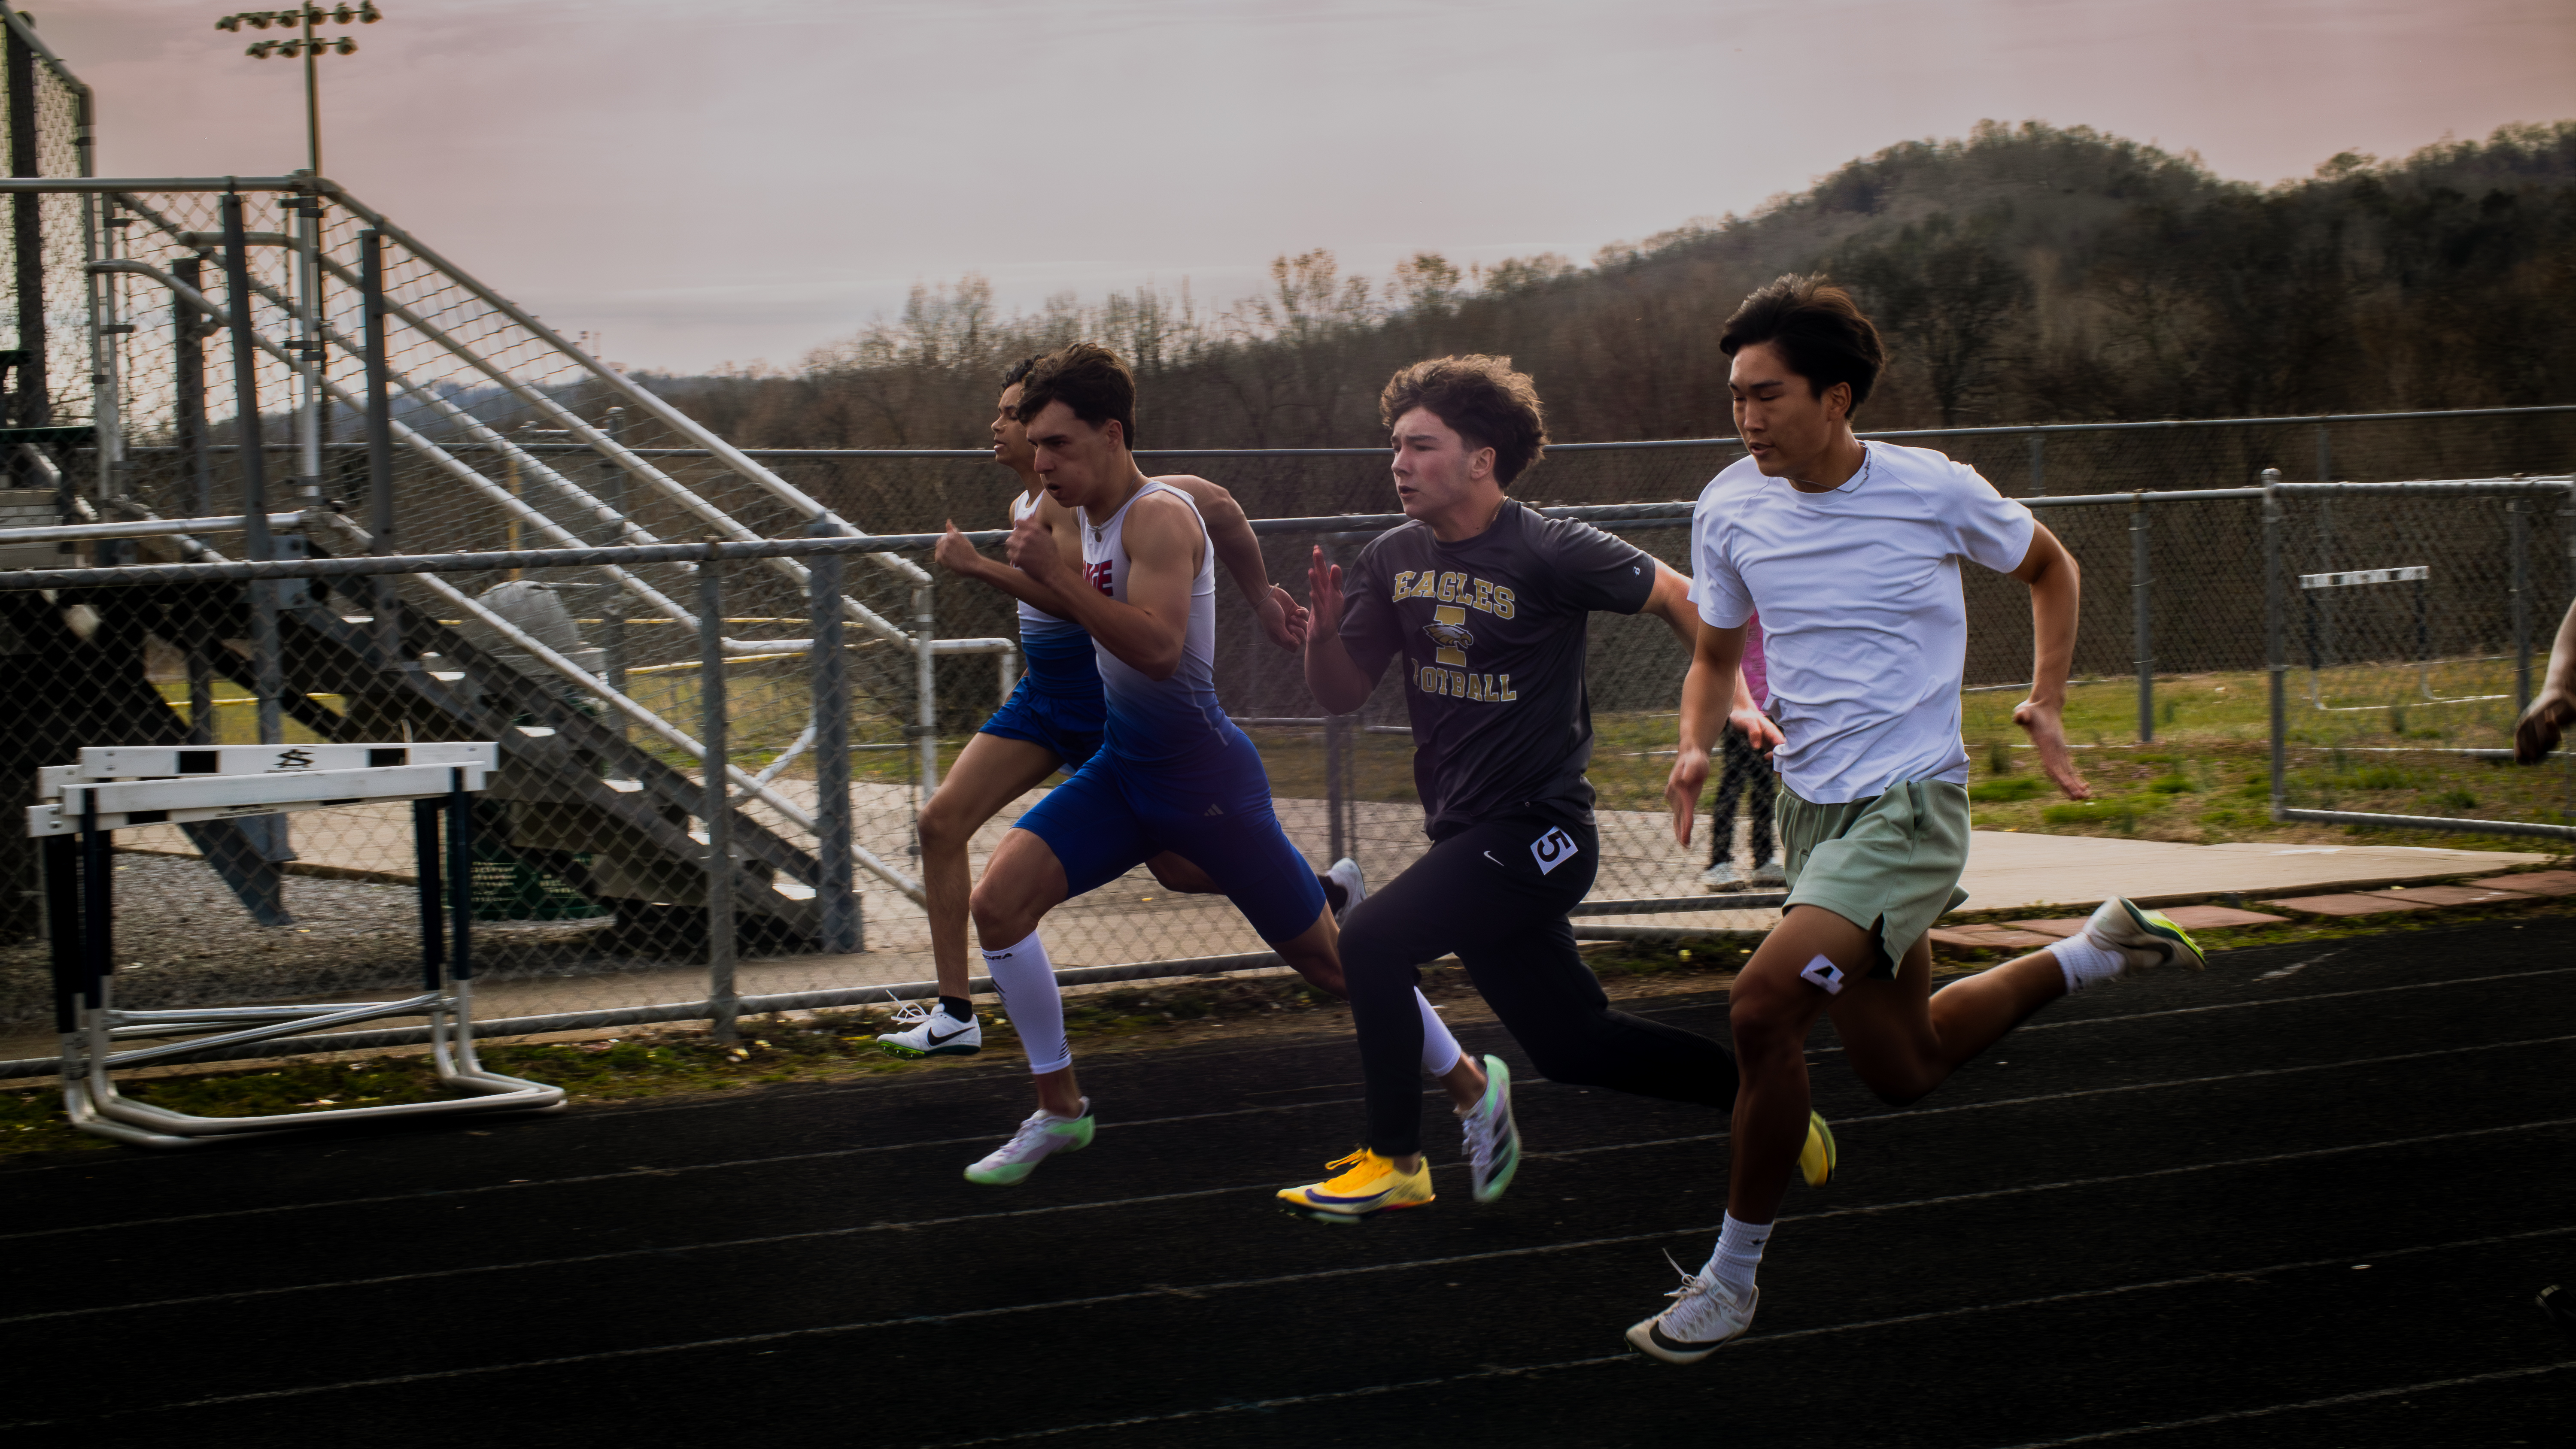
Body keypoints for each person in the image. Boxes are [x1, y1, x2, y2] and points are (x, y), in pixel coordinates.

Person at [1629, 275, 2208, 1364]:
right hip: (1814, 809)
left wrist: (2044, 696)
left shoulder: (1931, 489)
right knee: (1904, 1063)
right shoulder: (1727, 504)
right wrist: (1697, 741)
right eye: (1736, 399)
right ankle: (2096, 951)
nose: (1748, 418)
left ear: (1836, 397)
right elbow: (1714, 652)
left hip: (1910, 805)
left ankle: (1733, 1279)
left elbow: (2050, 565)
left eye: (1768, 395)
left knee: (1760, 1012)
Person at [1274, 354, 1838, 1223]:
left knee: (1374, 940)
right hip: (1469, 838)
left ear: (1480, 458)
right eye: (1395, 445)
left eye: (1421, 446)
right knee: (1576, 1046)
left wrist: (1739, 700)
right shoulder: (1391, 557)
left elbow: (1686, 599)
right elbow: (1342, 691)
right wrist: (1317, 635)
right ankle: (1771, 1100)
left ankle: (1396, 1160)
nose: (1399, 462)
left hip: (1543, 830)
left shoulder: (1550, 546)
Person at [928, 343, 1485, 1185]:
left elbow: (1155, 648)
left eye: (1058, 445)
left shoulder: (1160, 514)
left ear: (1111, 435)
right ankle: (1059, 1109)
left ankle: (1472, 1086)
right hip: (1126, 770)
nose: (1042, 463)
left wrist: (1053, 577)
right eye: (1032, 444)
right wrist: (1019, 570)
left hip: (1205, 785)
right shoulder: (1076, 511)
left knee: (1336, 966)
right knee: (999, 904)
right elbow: (1130, 582)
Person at [877, 355, 1361, 1059]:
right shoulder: (1024, 508)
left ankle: (1314, 896)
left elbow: (1213, 510)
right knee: (940, 821)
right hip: (1040, 698)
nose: (1003, 427)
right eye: (1021, 423)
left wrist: (1259, 597)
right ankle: (957, 1013)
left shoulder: (1123, 505)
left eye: (1016, 416)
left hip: (1104, 704)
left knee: (1178, 866)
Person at [1701, 604, 1782, 890]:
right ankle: (1718, 862)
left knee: (1764, 785)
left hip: (1771, 706)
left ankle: (1763, 860)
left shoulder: (1773, 599)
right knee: (1733, 782)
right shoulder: (1734, 602)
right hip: (1737, 708)